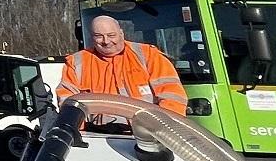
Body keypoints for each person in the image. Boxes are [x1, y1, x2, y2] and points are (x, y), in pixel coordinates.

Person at [59, 15, 188, 114]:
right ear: (91, 37)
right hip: (96, 137)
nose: (106, 41)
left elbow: (173, 97)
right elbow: (68, 103)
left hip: (146, 135)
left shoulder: (148, 55)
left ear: (121, 33)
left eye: (111, 35)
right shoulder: (76, 63)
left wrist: (161, 131)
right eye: (99, 36)